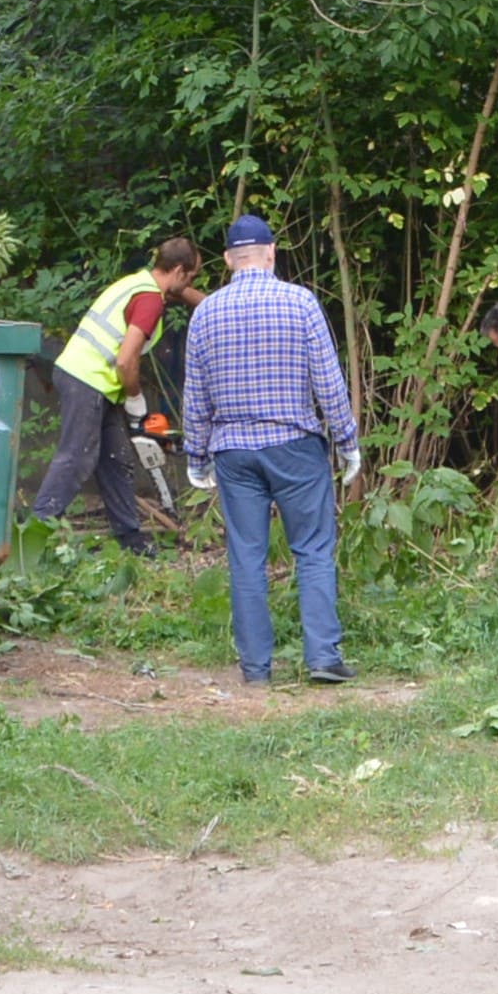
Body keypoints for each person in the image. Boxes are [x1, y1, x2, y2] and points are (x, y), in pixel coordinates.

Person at [178, 215, 362, 686]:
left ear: (226, 260)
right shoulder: (300, 303)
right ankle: (322, 657)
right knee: (314, 549)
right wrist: (346, 442)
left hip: (233, 452)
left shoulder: (205, 313)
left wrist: (196, 457)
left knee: (246, 557)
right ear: (272, 253)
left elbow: (195, 397)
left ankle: (256, 670)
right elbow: (328, 381)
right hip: (294, 445)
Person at [36, 239, 198, 555]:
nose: (189, 286)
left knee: (116, 460)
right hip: (88, 379)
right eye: (190, 277)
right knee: (76, 458)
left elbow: (179, 290)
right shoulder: (150, 301)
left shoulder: (139, 282)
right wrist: (136, 403)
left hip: (92, 380)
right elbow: (126, 360)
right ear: (178, 270)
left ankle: (131, 539)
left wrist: (215, 303)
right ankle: (32, 535)